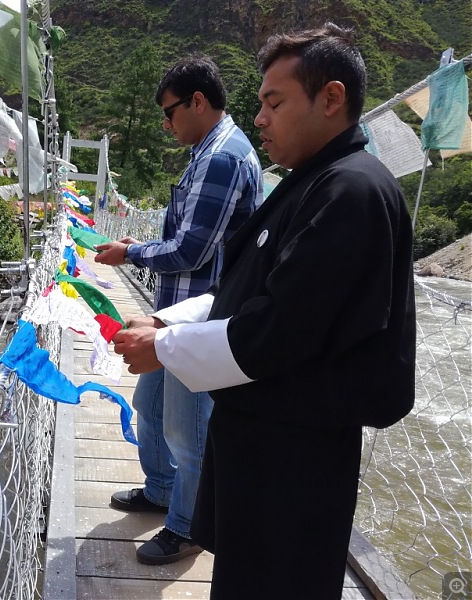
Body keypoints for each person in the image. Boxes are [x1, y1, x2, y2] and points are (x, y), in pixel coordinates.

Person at [112, 23, 416, 599]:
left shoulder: (350, 192)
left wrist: (165, 346)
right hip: (269, 448)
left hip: (295, 460)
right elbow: (245, 290)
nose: (260, 119)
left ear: (331, 99)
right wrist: (168, 322)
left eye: (274, 103)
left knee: (276, 582)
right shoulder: (313, 181)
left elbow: (281, 327)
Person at [94, 54, 263, 565]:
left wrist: (132, 252)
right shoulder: (207, 150)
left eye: (169, 112)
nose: (166, 124)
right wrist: (142, 248)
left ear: (197, 101)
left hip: (199, 323)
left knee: (188, 433)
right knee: (152, 408)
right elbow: (184, 239)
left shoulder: (223, 156)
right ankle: (163, 490)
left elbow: (192, 251)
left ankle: (188, 527)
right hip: (174, 316)